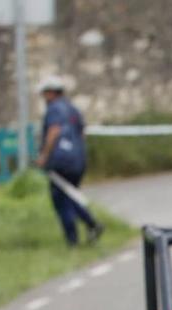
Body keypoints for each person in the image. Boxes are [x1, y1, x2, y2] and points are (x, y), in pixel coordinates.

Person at [33, 74, 101, 245]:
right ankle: (91, 223)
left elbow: (54, 131)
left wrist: (44, 156)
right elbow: (82, 134)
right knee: (72, 195)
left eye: (45, 93)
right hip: (78, 161)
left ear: (51, 93)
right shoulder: (73, 109)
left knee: (61, 200)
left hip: (60, 162)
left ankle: (73, 240)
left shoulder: (54, 109)